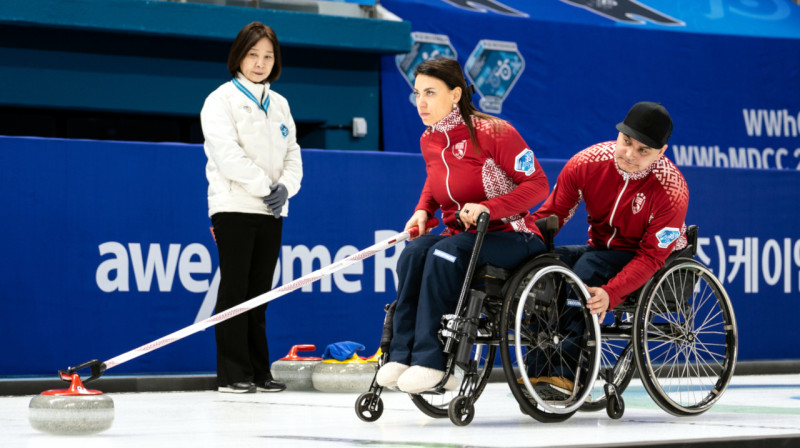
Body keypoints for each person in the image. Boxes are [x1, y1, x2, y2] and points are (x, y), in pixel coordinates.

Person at [375, 58, 550, 394]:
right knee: (413, 254)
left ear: (455, 94)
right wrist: (423, 209)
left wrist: (489, 208)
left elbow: (538, 185)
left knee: (444, 254)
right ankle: (401, 354)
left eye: (430, 92)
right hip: (463, 236)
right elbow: (434, 179)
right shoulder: (429, 139)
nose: (421, 102)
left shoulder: (495, 131)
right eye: (417, 93)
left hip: (513, 235)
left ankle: (434, 362)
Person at [529, 101, 689, 393]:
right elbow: (550, 217)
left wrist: (611, 293)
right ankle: (536, 373)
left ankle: (563, 375)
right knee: (547, 264)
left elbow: (652, 257)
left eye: (644, 151)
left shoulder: (671, 190)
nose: (630, 155)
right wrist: (521, 245)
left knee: (587, 270)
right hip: (600, 250)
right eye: (627, 142)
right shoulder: (586, 163)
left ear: (661, 153)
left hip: (649, 259)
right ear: (619, 134)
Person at [200, 22, 302, 394]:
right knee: (235, 291)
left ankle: (260, 371)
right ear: (239, 56)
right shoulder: (220, 100)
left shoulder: (280, 104)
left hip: (272, 210)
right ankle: (232, 374)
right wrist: (265, 187)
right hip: (234, 206)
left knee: (260, 293)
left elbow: (293, 153)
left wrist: (286, 188)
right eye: (253, 55)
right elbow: (228, 156)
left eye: (267, 56)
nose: (260, 63)